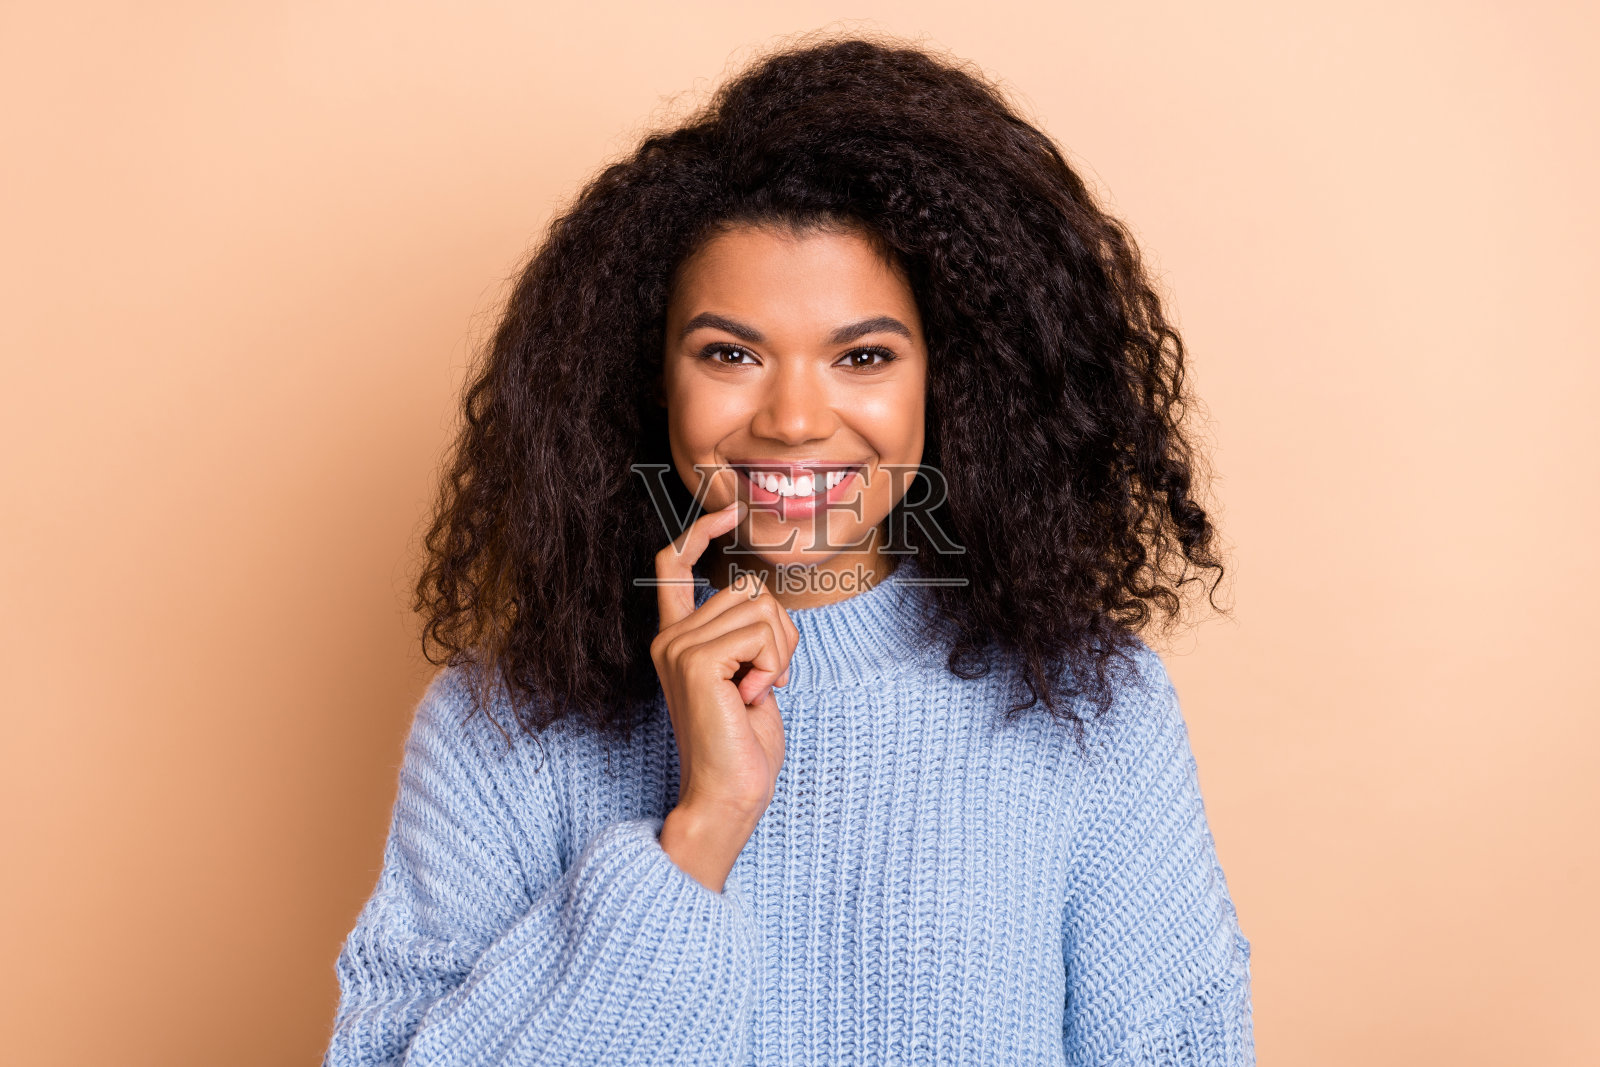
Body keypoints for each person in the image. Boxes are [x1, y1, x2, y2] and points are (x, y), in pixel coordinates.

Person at [323, 33, 1254, 1067]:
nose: (796, 418)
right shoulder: (503, 728)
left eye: (863, 355)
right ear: (646, 378)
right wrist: (701, 827)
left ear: (956, 381)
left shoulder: (1089, 709)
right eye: (730, 352)